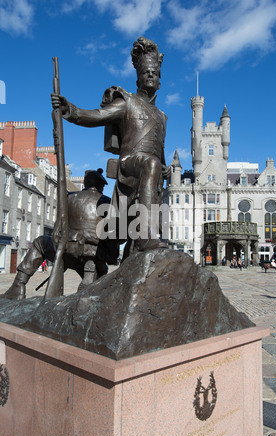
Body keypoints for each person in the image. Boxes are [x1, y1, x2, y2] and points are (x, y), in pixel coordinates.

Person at [51, 37, 171, 259]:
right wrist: (70, 109)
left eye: (154, 72)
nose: (151, 75)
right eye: (146, 72)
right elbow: (96, 116)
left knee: (154, 166)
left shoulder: (162, 117)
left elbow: (159, 153)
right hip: (130, 165)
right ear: (138, 77)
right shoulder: (127, 102)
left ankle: (137, 248)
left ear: (160, 78)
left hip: (150, 172)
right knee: (151, 164)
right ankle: (145, 235)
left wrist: (166, 169)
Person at [0, 169, 115, 300]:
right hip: (93, 253)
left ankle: (18, 286)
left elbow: (58, 229)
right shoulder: (109, 203)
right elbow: (113, 237)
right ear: (101, 186)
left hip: (68, 249)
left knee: (39, 242)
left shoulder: (69, 197)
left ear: (85, 182)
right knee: (100, 269)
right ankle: (92, 273)